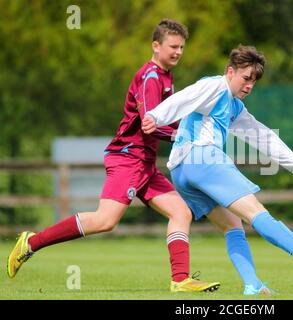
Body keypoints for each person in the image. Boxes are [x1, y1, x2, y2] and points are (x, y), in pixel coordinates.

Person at [7, 19, 220, 293]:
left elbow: (163, 121)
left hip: (144, 163)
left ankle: (180, 280)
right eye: (173, 46)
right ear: (156, 46)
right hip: (128, 157)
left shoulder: (166, 75)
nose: (178, 52)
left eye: (181, 47)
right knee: (105, 221)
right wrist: (185, 137)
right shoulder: (151, 76)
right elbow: (149, 123)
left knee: (180, 211)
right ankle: (31, 243)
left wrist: (190, 130)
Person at [141, 45, 293, 295]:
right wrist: (156, 115)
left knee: (233, 226)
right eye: (246, 78)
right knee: (257, 213)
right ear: (230, 71)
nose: (249, 85)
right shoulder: (216, 86)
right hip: (203, 159)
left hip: (181, 172)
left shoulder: (235, 107)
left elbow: (262, 136)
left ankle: (252, 284)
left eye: (254, 81)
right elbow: (186, 96)